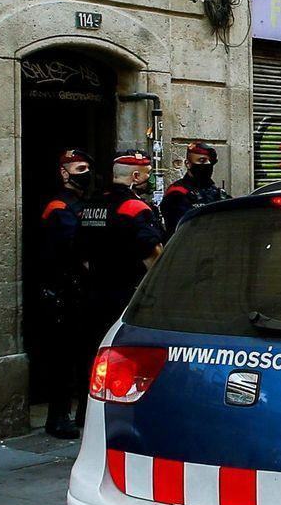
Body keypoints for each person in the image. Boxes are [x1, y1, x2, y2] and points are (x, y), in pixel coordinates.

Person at [36, 149, 97, 439]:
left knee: (85, 355)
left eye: (87, 167)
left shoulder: (84, 203)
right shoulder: (58, 205)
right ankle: (58, 417)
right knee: (61, 359)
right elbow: (75, 248)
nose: (85, 173)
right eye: (80, 168)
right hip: (61, 292)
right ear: (64, 172)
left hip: (81, 291)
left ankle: (83, 412)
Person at [86, 150, 165, 344]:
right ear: (135, 176)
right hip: (128, 297)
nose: (150, 179)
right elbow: (153, 257)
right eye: (148, 174)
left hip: (94, 295)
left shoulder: (90, 206)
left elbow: (84, 257)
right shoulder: (135, 208)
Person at [159, 142, 231, 238]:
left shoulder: (216, 192)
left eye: (210, 161)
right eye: (202, 161)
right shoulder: (177, 192)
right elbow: (180, 229)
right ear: (188, 164)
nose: (208, 164)